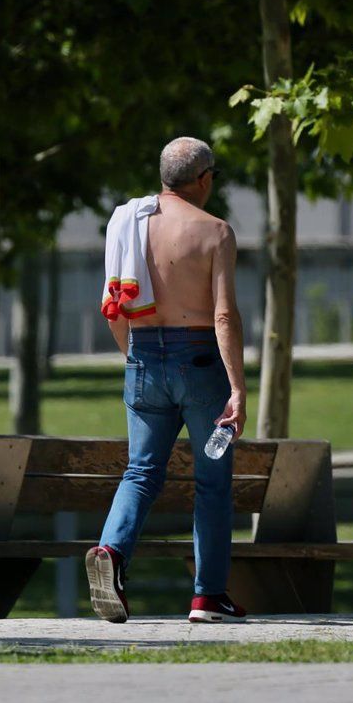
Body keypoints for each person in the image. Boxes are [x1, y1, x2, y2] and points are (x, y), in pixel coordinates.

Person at [85, 137, 247, 624]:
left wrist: (136, 360)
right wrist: (237, 387)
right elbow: (224, 316)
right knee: (212, 483)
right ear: (203, 179)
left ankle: (112, 552)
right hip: (199, 361)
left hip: (142, 355)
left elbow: (114, 308)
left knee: (141, 472)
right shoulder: (215, 232)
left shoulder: (128, 223)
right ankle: (207, 597)